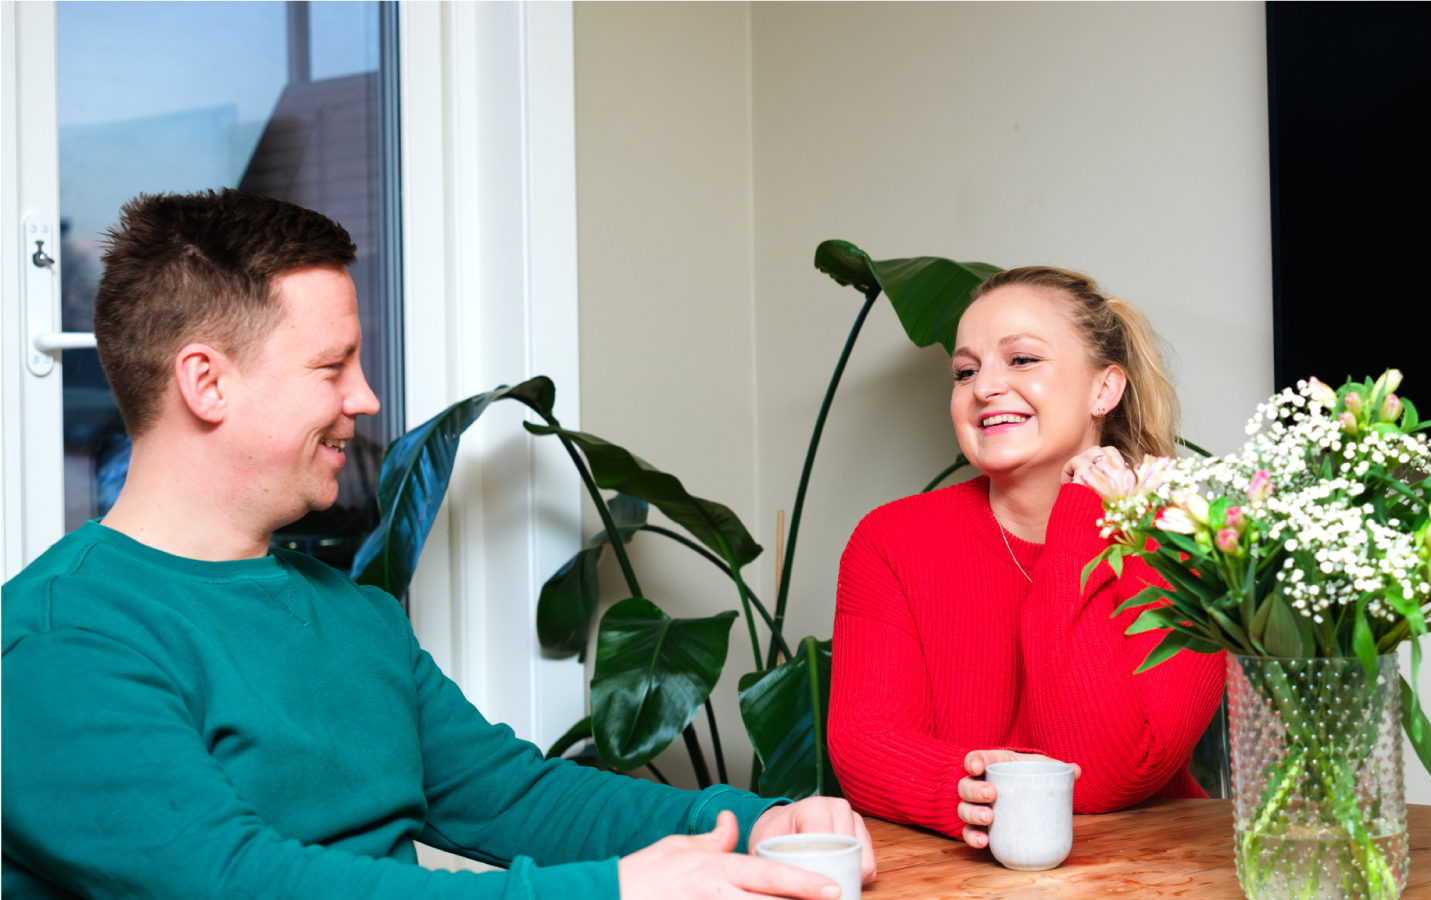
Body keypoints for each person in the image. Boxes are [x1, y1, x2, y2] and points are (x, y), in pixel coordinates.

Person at [2, 189, 874, 900]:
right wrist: (608, 895)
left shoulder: (353, 616)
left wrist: (755, 825)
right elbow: (230, 882)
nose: (367, 397)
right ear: (207, 382)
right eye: (332, 366)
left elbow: (512, 796)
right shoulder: (59, 640)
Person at [828, 266, 1225, 848]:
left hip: (1153, 876)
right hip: (951, 882)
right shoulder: (891, 540)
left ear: (1104, 390)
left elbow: (1107, 775)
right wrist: (975, 791)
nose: (984, 387)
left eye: (1021, 360)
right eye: (966, 371)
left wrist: (1083, 510)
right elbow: (867, 744)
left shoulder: (1186, 549)